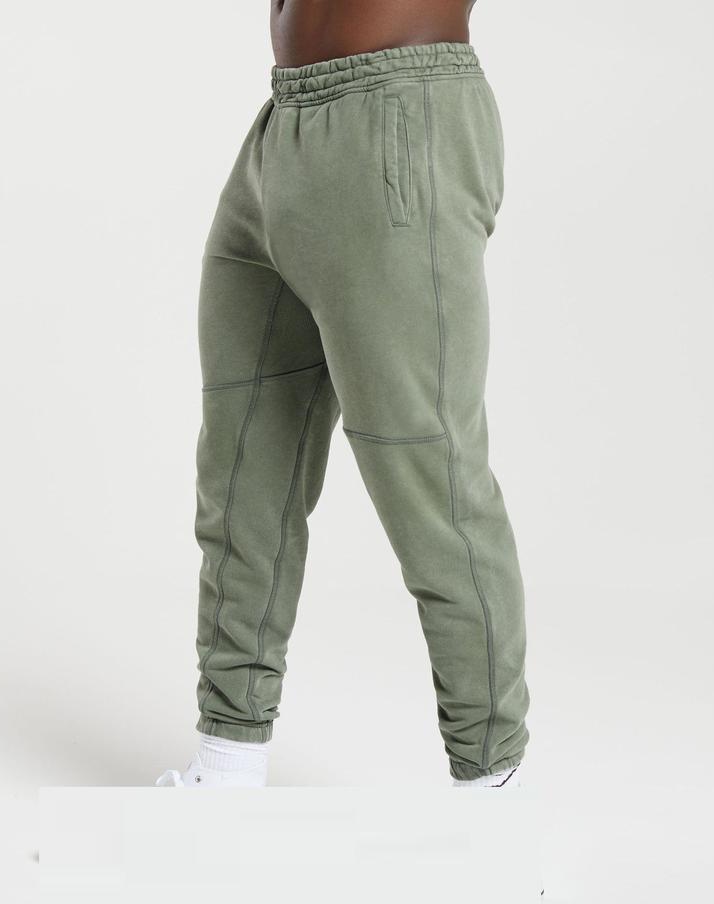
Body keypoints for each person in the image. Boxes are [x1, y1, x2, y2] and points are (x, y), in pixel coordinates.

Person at [158, 0, 529, 789]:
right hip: (280, 128)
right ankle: (227, 765)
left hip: (399, 111)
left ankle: (492, 785)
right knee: (242, 476)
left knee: (430, 481)